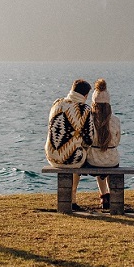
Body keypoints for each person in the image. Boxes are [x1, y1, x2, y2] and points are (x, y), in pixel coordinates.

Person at [44, 79, 94, 211]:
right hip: (70, 159)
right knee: (80, 153)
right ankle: (72, 198)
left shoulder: (56, 103)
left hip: (51, 156)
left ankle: (70, 197)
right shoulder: (84, 109)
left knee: (74, 150)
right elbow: (89, 139)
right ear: (86, 96)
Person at [86, 78, 120, 210]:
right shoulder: (115, 120)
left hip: (93, 160)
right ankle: (108, 194)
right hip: (112, 160)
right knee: (106, 162)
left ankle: (103, 195)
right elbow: (117, 141)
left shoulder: (89, 120)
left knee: (97, 160)